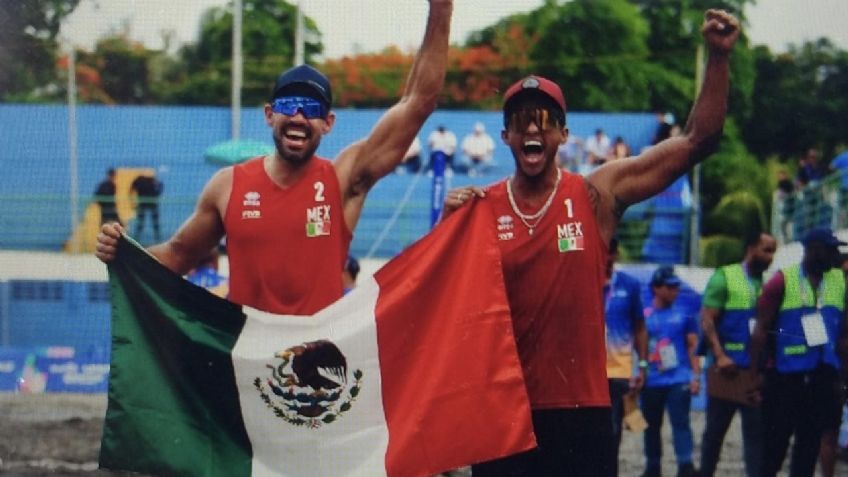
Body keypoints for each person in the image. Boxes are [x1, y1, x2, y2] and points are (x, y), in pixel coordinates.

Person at [441, 9, 739, 476]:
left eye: (545, 120)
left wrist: (718, 58)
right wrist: (447, 226)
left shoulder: (596, 194)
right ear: (506, 136)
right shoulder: (479, 208)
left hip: (581, 410)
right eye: (522, 121)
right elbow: (443, 300)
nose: (533, 129)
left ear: (563, 134)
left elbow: (698, 141)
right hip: (504, 409)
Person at [95, 0, 454, 315]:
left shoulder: (344, 179)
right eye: (288, 104)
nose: (298, 116)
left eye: (311, 108)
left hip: (317, 358)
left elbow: (417, 103)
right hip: (247, 359)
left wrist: (441, 9)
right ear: (269, 114)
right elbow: (177, 255)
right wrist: (123, 251)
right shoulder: (228, 186)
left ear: (328, 123)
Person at [749, 227, 848, 477]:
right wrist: (754, 376)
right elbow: (761, 331)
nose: (835, 255)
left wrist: (842, 378)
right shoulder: (782, 281)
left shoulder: (839, 282)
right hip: (784, 377)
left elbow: (843, 335)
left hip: (821, 377)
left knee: (808, 449)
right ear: (812, 250)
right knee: (773, 449)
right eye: (830, 250)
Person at [698, 232, 777, 477]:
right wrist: (720, 355)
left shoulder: (767, 285)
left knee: (756, 436)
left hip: (752, 373)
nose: (770, 257)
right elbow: (707, 319)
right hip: (725, 371)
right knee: (714, 433)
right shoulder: (725, 276)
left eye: (773, 251)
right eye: (766, 250)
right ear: (751, 248)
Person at [641, 266, 701, 477]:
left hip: (678, 378)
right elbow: (638, 346)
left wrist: (696, 376)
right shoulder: (644, 315)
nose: (675, 291)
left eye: (676, 287)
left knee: (681, 423)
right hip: (652, 379)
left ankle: (685, 465)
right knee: (650, 426)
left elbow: (693, 346)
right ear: (656, 288)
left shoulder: (684, 314)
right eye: (670, 287)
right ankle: (652, 466)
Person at [604, 237, 647, 477]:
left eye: (608, 253)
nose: (604, 258)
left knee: (613, 432)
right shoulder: (584, 281)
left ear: (615, 254)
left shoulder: (629, 285)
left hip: (618, 371)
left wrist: (642, 365)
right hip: (588, 374)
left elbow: (640, 328)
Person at [130, 174, 162, 242]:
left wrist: (132, 203)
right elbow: (160, 185)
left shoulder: (139, 181)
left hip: (147, 203)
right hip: (150, 202)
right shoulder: (150, 180)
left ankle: (136, 239)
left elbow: (130, 191)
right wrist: (157, 193)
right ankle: (157, 239)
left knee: (142, 222)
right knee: (152, 222)